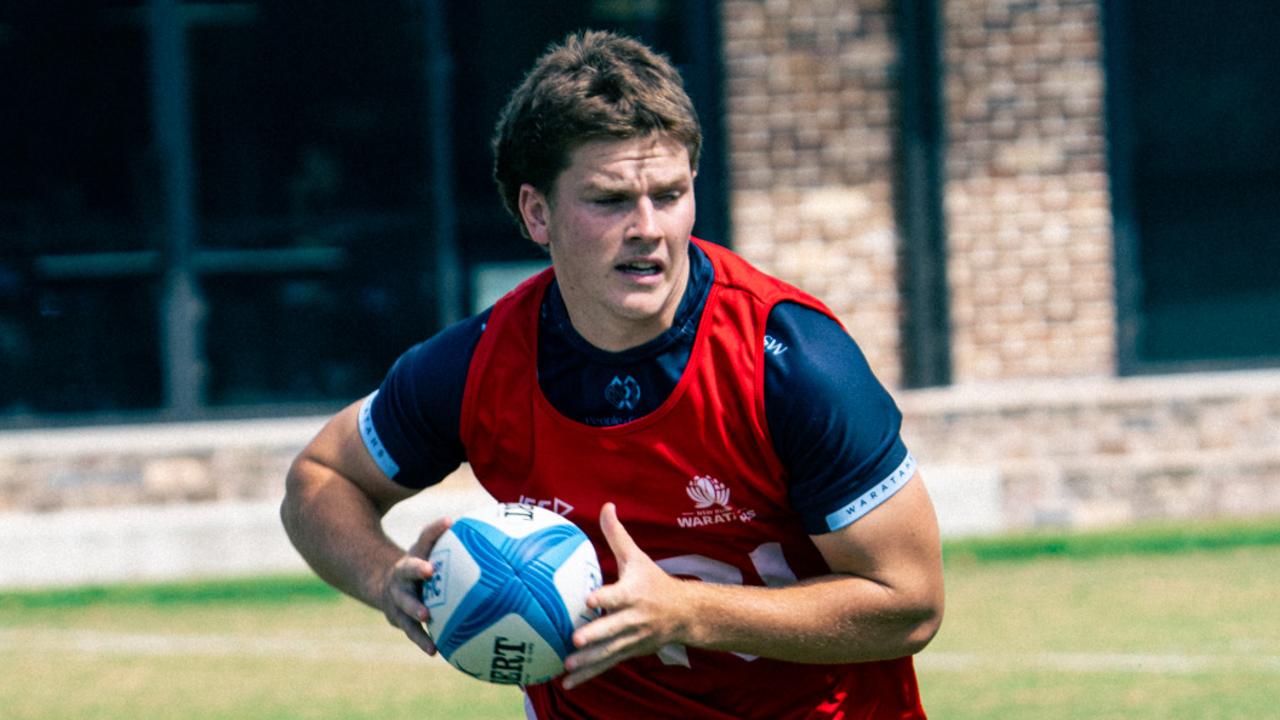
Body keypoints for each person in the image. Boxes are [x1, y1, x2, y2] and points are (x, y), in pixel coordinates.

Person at [281, 29, 944, 719]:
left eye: (669, 193)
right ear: (536, 212)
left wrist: (687, 612)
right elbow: (320, 479)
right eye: (610, 200)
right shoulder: (477, 364)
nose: (648, 227)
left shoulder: (791, 361)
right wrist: (386, 575)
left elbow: (910, 602)